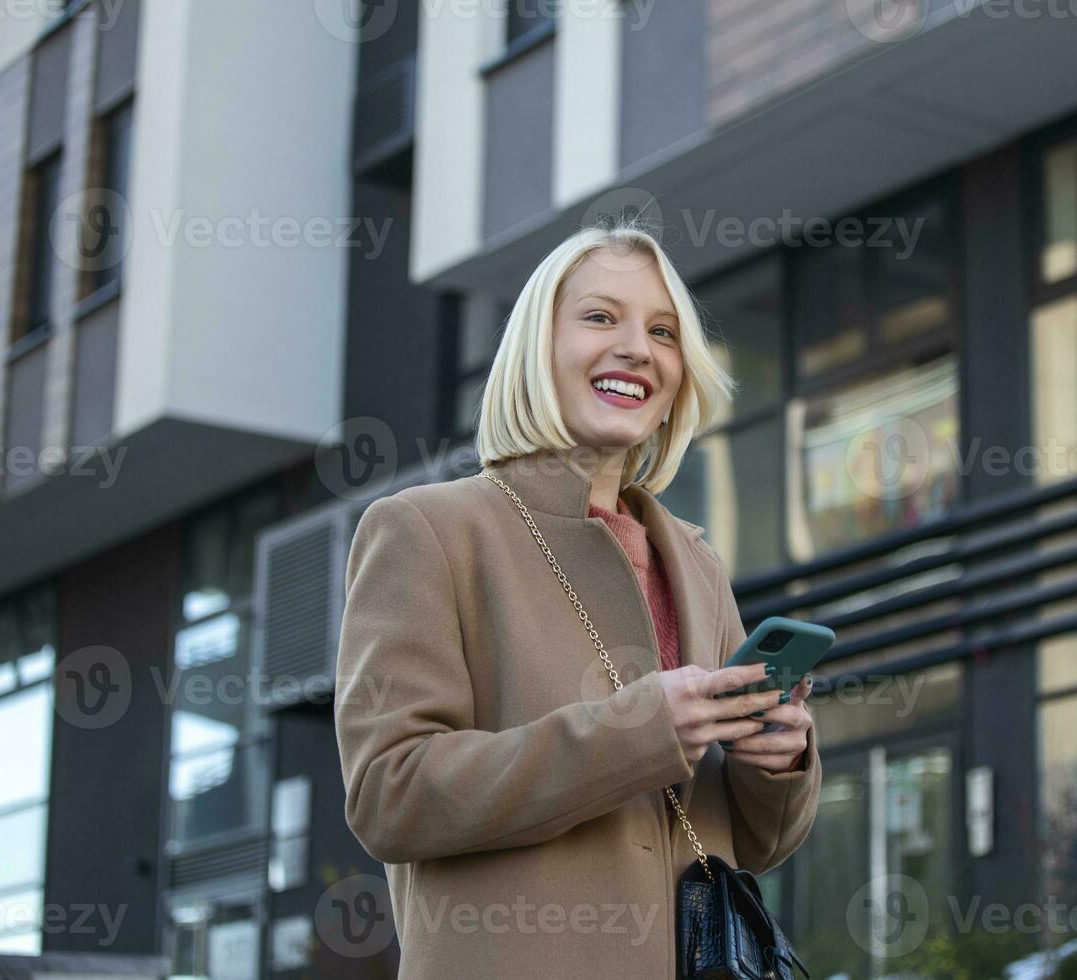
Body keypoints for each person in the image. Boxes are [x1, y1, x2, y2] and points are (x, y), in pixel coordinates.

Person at [334, 218, 822, 978]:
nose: (637, 347)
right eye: (600, 317)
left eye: (663, 333)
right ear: (537, 348)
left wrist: (774, 762)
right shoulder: (426, 531)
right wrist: (639, 732)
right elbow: (389, 795)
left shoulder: (694, 560)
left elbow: (752, 842)